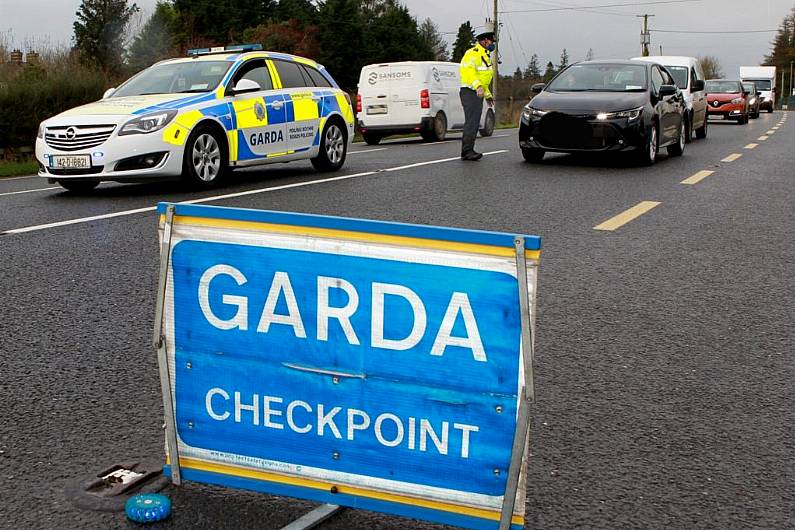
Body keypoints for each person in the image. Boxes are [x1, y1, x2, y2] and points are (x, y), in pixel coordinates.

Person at [459, 22, 496, 161]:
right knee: (472, 122)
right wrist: (478, 86)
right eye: (491, 41)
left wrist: (487, 95)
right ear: (485, 41)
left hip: (477, 92)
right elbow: (467, 71)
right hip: (470, 92)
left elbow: (483, 79)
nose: (493, 44)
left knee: (474, 121)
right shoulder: (472, 54)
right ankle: (467, 151)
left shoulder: (485, 56)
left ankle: (468, 150)